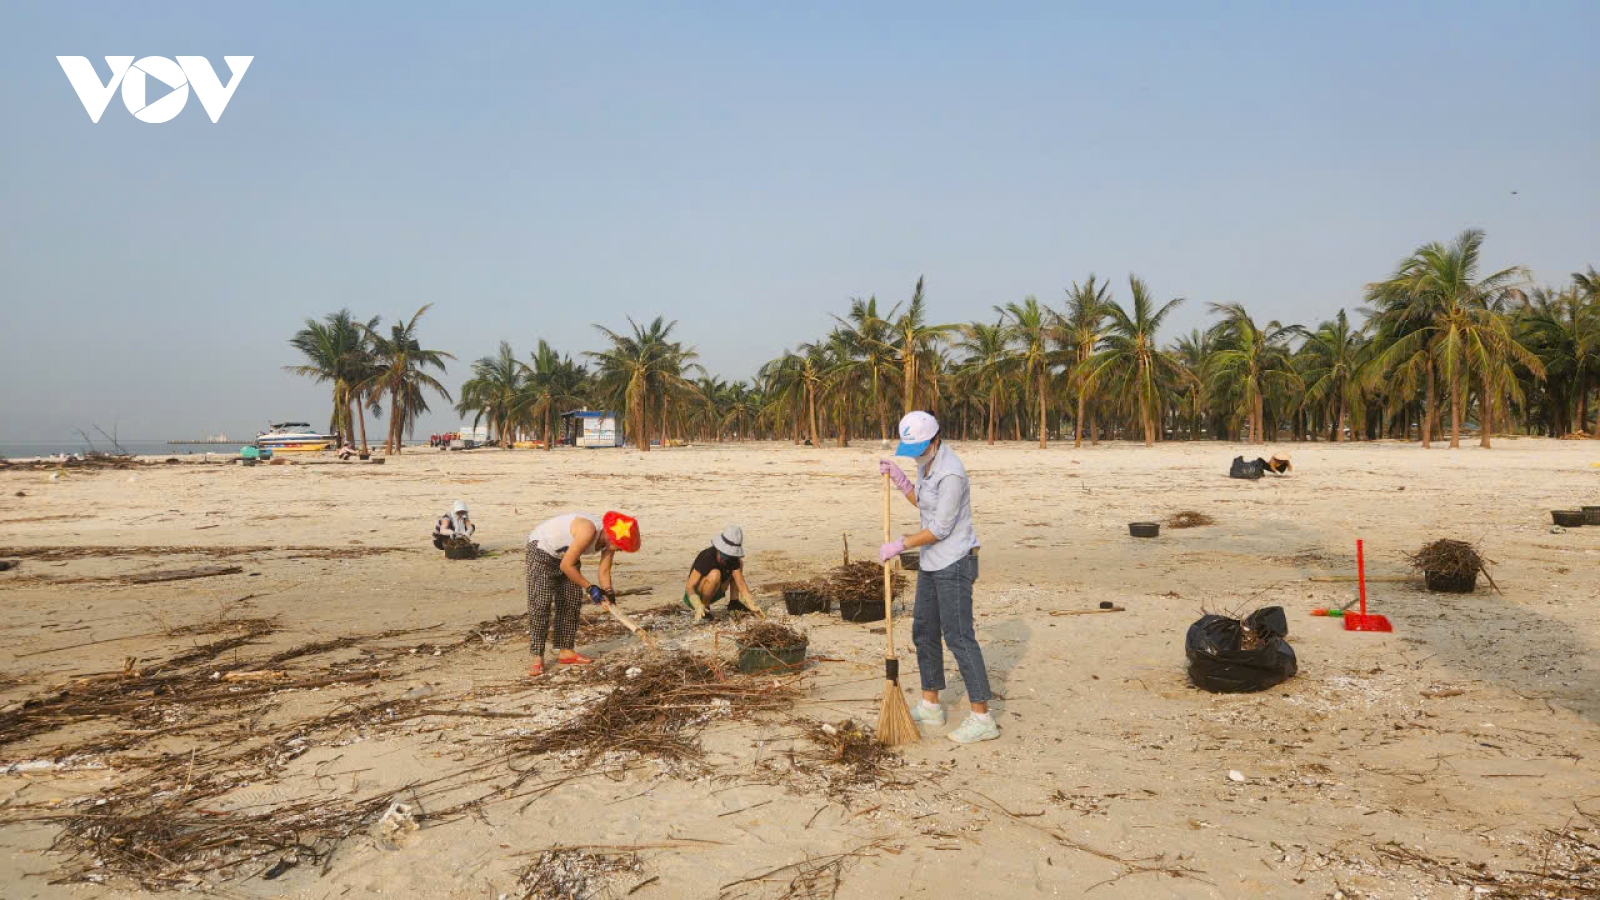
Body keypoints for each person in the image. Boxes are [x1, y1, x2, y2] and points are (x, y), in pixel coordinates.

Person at [878, 411, 998, 744]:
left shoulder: (952, 473)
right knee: (924, 630)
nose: (915, 454)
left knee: (959, 635)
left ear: (935, 440)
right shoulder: (926, 463)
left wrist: (901, 545)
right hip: (932, 563)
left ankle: (982, 716)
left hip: (955, 561)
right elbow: (926, 504)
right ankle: (931, 704)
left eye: (918, 448)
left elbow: (941, 528)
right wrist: (902, 481)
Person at [524, 510, 641, 677]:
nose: (620, 550)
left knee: (571, 600)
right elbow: (566, 566)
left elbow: (604, 570)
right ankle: (537, 656)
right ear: (609, 535)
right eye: (619, 546)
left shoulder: (609, 541)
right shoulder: (588, 530)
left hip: (566, 554)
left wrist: (608, 592)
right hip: (542, 548)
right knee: (541, 603)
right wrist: (590, 588)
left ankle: (566, 652)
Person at [683, 525, 765, 622]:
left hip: (716, 589)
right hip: (694, 596)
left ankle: (734, 603)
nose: (725, 560)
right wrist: (698, 605)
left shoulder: (732, 559)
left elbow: (740, 582)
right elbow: (689, 586)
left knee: (738, 564)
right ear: (719, 549)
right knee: (715, 574)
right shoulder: (706, 557)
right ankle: (705, 609)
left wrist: (751, 604)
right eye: (724, 555)